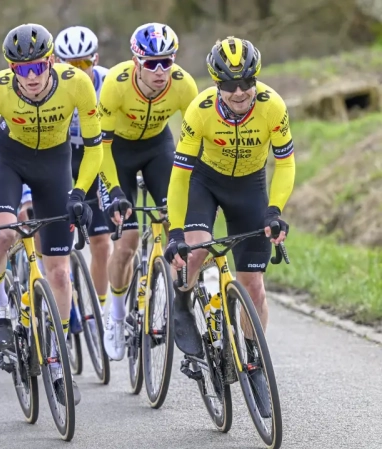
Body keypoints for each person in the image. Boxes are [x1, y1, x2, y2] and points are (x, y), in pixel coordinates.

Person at [0, 23, 129, 405]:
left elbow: (94, 148)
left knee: (59, 269)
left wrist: (78, 192)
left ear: (51, 61)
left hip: (55, 164)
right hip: (9, 158)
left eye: (39, 66)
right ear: (11, 70)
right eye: (22, 70)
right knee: (4, 235)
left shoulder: (78, 83)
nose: (32, 77)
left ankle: (55, 354)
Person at [165, 37, 292, 392]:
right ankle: (183, 299)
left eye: (246, 83)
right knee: (197, 247)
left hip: (250, 186)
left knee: (254, 286)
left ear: (256, 79)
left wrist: (274, 211)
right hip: (205, 183)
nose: (238, 93)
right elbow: (179, 177)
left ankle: (253, 362)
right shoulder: (200, 110)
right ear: (216, 83)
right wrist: (176, 232)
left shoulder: (273, 107)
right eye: (228, 85)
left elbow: (285, 164)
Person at [98, 22, 199, 361]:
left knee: (177, 223)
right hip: (118, 154)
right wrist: (114, 190)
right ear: (136, 61)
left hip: (158, 148)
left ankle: (180, 304)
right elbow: (101, 147)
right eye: (151, 63)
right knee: (126, 242)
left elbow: (195, 141)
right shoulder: (115, 83)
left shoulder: (184, 85)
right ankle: (114, 316)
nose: (160, 71)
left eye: (166, 62)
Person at [55, 25, 111, 339]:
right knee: (56, 238)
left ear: (95, 60)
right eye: (70, 66)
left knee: (102, 243)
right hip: (63, 159)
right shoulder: (51, 88)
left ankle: (97, 312)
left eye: (84, 65)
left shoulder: (108, 85)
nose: (78, 72)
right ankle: (63, 289)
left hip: (95, 156)